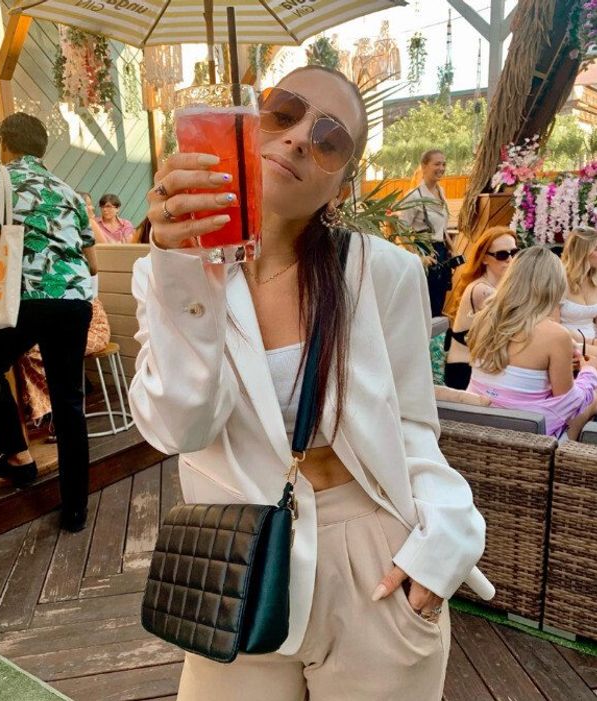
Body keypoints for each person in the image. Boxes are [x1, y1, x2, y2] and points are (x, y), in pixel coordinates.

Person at [130, 65, 490, 699]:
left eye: (329, 139)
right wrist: (186, 272)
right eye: (284, 113)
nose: (298, 138)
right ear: (250, 124)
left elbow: (412, 428)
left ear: (340, 185)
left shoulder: (384, 274)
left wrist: (445, 542)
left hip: (374, 560)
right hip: (236, 564)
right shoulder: (167, 274)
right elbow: (179, 428)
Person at [0, 112, 96, 532]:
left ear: (6, 142)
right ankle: (76, 509)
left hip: (26, 299)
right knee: (70, 403)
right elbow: (92, 261)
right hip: (76, 299)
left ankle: (18, 455)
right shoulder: (67, 191)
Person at [466, 247, 597, 440]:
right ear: (554, 285)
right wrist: (589, 372)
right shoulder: (555, 334)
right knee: (592, 396)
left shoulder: (483, 319)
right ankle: (565, 463)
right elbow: (568, 403)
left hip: (478, 424)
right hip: (527, 436)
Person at [20, 299, 111, 440]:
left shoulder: (75, 286)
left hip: (92, 330)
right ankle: (51, 409)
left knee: (40, 351)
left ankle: (54, 411)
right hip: (65, 325)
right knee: (29, 353)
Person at [442, 226, 518, 390]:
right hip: (464, 374)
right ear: (484, 258)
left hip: (481, 369)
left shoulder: (498, 287)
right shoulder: (482, 291)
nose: (510, 259)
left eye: (514, 253)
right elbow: (516, 326)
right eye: (502, 255)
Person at [398, 149, 455, 317]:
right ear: (423, 166)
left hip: (441, 252)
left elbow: (442, 227)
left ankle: (436, 341)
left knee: (439, 302)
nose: (441, 168)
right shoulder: (414, 196)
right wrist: (418, 256)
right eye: (437, 164)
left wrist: (452, 248)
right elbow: (401, 229)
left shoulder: (441, 192)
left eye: (444, 164)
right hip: (425, 252)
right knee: (426, 307)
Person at [559, 226, 597, 348]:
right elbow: (552, 324)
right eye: (596, 249)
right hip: (566, 343)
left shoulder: (595, 278)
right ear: (582, 251)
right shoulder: (559, 279)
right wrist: (590, 343)